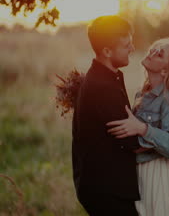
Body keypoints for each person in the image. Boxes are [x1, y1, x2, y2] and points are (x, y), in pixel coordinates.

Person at [106, 37, 169, 215]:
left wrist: (143, 129)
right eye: (155, 49)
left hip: (158, 174)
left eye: (159, 54)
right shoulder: (144, 94)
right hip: (143, 174)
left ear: (165, 71)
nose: (152, 52)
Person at [72, 15, 140, 215]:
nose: (132, 48)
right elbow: (132, 142)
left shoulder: (106, 78)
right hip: (107, 190)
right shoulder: (101, 87)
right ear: (107, 51)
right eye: (126, 44)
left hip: (104, 185)